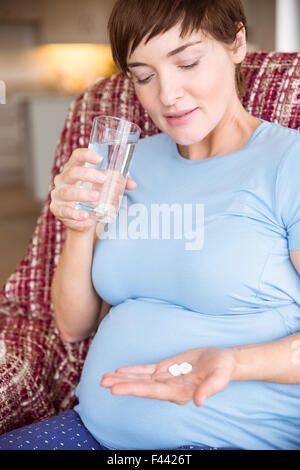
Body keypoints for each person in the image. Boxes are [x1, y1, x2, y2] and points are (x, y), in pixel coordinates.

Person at [1, 0, 300, 451]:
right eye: (143, 75)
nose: (167, 95)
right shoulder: (126, 160)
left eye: (188, 63)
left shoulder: (288, 164)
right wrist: (79, 226)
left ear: (236, 42)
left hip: (234, 438)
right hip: (91, 430)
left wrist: (234, 363)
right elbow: (73, 326)